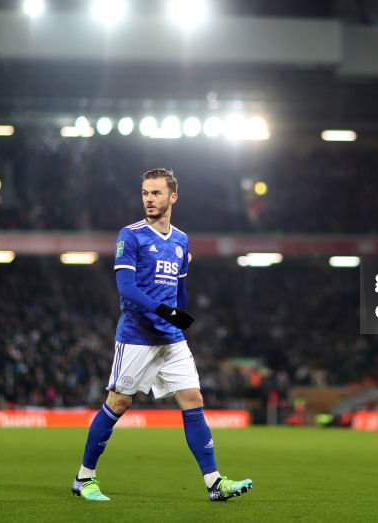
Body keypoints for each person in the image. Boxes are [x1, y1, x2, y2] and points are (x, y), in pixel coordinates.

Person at [71, 168, 253, 503]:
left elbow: (180, 289)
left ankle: (214, 483)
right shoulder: (131, 236)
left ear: (173, 197)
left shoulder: (182, 241)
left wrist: (179, 318)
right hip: (137, 336)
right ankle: (84, 478)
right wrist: (165, 311)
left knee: (193, 400)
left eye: (156, 193)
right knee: (118, 402)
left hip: (171, 339)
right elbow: (126, 289)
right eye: (145, 193)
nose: (149, 199)